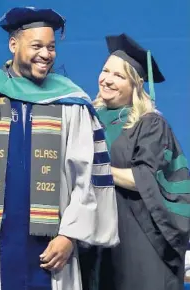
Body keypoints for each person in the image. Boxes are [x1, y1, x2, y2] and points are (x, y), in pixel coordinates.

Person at [0, 7, 119, 290]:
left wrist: (70, 236)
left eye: (51, 47)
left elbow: (89, 176)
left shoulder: (71, 102)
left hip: (52, 248)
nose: (46, 54)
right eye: (37, 46)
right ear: (13, 44)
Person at [80, 33, 190, 290]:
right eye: (105, 71)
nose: (107, 79)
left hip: (138, 236)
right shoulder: (88, 118)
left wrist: (98, 169)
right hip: (94, 237)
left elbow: (144, 179)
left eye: (119, 76)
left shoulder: (149, 123)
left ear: (136, 85)